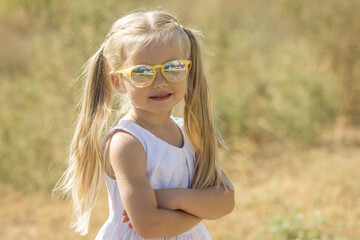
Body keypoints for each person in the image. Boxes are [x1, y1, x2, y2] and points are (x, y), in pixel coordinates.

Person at [54, 10, 235, 240]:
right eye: (142, 72)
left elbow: (226, 200)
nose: (160, 83)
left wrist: (174, 198)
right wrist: (202, 209)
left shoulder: (189, 132)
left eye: (172, 67)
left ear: (187, 70)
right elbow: (150, 226)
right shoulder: (126, 143)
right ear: (118, 82)